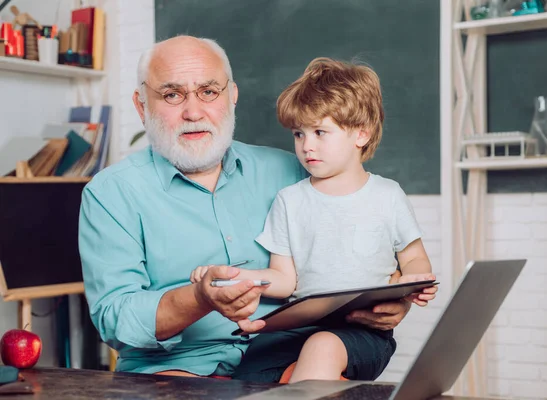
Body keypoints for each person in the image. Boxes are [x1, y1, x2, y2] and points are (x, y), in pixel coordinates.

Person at [79, 36, 423, 377]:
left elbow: (368, 251)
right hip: (176, 367)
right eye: (172, 94)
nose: (193, 111)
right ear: (142, 106)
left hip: (289, 354)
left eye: (209, 92)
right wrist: (200, 298)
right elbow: (114, 318)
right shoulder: (111, 193)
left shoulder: (296, 171)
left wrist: (397, 301)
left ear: (232, 97)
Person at [191, 58, 437, 383]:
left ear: (360, 134)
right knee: (246, 380)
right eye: (299, 134)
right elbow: (284, 280)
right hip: (296, 329)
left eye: (320, 132)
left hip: (361, 332)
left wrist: (414, 284)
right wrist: (236, 276)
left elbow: (414, 256)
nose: (307, 146)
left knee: (322, 347)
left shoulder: (387, 196)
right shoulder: (289, 200)